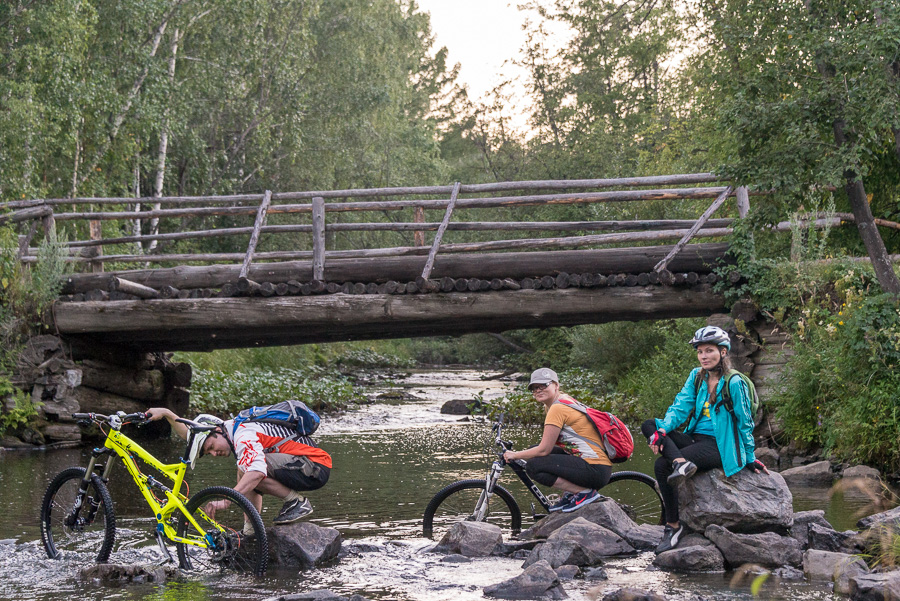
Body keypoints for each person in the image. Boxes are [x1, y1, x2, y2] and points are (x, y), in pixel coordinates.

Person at [641, 325, 768, 554]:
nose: (703, 356)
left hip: (719, 445)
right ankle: (680, 463)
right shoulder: (696, 377)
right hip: (694, 439)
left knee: (661, 464)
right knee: (649, 425)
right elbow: (679, 407)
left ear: (723, 352)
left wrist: (750, 457)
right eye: (700, 351)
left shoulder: (734, 382)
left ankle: (673, 526)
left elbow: (745, 422)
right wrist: (662, 431)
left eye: (709, 350)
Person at [146, 406, 331, 527]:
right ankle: (251, 529)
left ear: (218, 431)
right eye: (208, 453)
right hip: (303, 463)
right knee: (244, 466)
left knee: (249, 469)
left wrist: (226, 500)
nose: (213, 453)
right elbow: (191, 435)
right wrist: (167, 414)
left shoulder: (242, 435)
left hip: (314, 465)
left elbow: (257, 472)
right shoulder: (228, 428)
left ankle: (297, 502)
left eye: (211, 447)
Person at [501, 367, 612, 513]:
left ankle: (583, 492)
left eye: (543, 385)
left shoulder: (557, 408)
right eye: (534, 388)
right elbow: (546, 446)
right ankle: (571, 493)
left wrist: (514, 455)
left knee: (534, 466)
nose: (538, 390)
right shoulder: (560, 401)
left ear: (556, 385)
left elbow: (544, 449)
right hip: (594, 465)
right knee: (533, 452)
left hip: (594, 469)